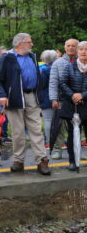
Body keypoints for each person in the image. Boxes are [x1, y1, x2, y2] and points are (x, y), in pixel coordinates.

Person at [0, 33, 51, 176]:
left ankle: (42, 160)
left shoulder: (32, 56)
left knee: (36, 130)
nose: (32, 44)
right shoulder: (7, 58)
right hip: (14, 98)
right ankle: (18, 161)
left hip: (32, 96)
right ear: (20, 44)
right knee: (18, 132)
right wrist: (1, 96)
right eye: (30, 42)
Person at [59, 41, 87, 171]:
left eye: (86, 49)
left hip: (86, 103)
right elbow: (63, 83)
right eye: (81, 49)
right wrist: (73, 96)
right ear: (77, 51)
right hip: (72, 105)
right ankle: (72, 161)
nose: (83, 52)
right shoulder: (69, 66)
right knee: (72, 134)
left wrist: (82, 95)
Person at [49, 39, 78, 159]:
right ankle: (57, 149)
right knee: (59, 126)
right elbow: (53, 82)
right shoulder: (58, 63)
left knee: (77, 126)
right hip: (61, 99)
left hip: (79, 100)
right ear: (65, 48)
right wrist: (53, 98)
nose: (71, 48)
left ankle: (76, 150)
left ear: (78, 47)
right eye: (68, 46)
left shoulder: (83, 62)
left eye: (73, 46)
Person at [38, 50, 58, 149]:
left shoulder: (44, 70)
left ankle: (49, 142)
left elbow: (41, 86)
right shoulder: (58, 69)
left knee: (48, 120)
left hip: (46, 98)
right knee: (57, 121)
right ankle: (58, 141)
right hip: (58, 98)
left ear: (45, 59)